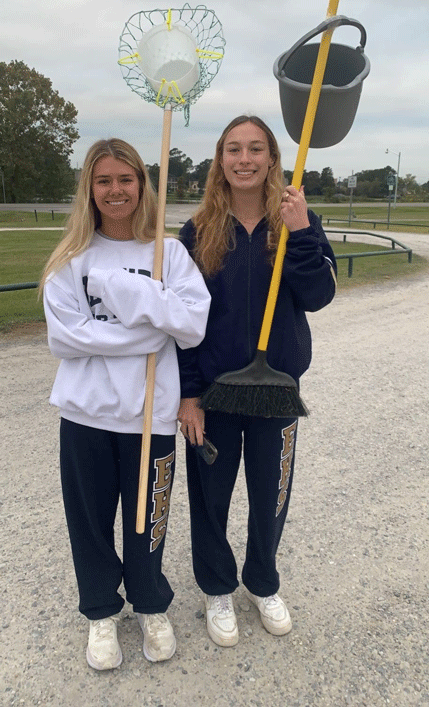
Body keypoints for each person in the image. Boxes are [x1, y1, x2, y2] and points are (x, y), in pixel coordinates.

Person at [40, 138, 211, 670]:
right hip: (87, 414)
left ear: (142, 185)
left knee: (148, 519)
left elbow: (192, 325)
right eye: (103, 181)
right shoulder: (71, 258)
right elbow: (65, 338)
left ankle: (150, 604)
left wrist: (140, 297)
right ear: (89, 189)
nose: (116, 191)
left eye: (126, 179)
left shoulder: (169, 254)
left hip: (150, 416)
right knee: (89, 521)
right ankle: (99, 611)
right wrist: (147, 334)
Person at [177, 115, 337, 647]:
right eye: (233, 149)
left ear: (272, 158)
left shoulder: (298, 219)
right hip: (217, 394)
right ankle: (217, 588)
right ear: (219, 160)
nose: (244, 159)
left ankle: (263, 582)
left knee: (272, 495)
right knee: (210, 497)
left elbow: (318, 296)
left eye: (256, 149)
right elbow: (181, 326)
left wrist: (302, 234)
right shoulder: (197, 231)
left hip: (274, 389)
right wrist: (189, 394)